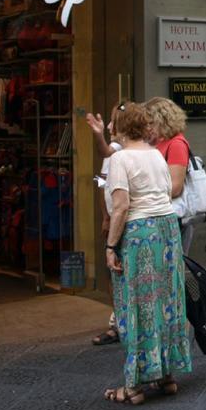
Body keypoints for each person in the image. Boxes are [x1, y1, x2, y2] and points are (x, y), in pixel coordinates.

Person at [103, 102, 190, 405]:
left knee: (135, 304)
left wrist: (111, 245)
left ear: (121, 128)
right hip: (167, 230)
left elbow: (121, 206)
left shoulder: (120, 159)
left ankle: (133, 385)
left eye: (113, 124)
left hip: (139, 233)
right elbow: (169, 191)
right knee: (166, 298)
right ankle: (166, 375)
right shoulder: (156, 154)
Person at [85, 102, 123, 347]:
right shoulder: (115, 150)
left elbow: (105, 152)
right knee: (113, 272)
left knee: (115, 271)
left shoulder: (118, 149)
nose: (109, 125)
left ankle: (118, 323)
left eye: (112, 121)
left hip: (120, 219)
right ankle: (118, 320)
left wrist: (109, 217)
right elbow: (100, 182)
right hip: (112, 216)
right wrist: (105, 215)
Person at [145, 97, 192, 252]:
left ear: (162, 120)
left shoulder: (176, 144)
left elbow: (176, 187)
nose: (148, 127)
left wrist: (143, 197)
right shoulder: (157, 143)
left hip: (173, 218)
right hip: (158, 214)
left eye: (151, 123)